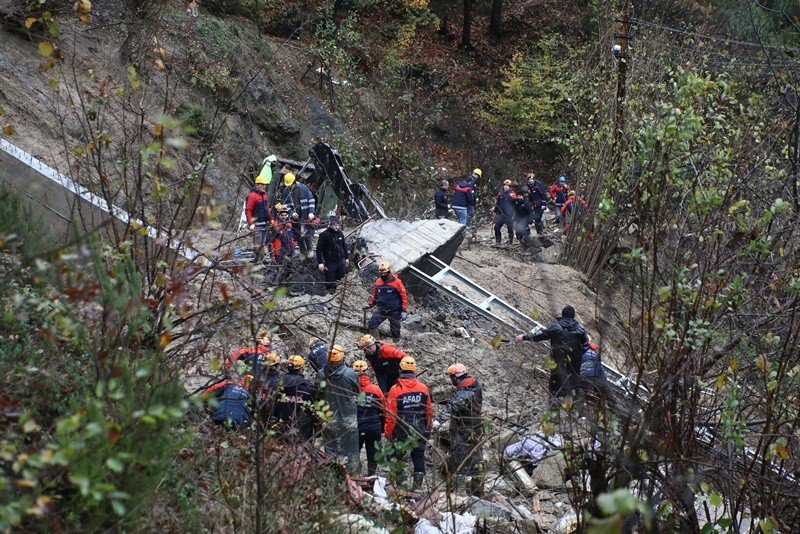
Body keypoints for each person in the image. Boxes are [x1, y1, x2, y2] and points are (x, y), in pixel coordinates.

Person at [515, 305, 589, 399]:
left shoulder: (556, 327)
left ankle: (554, 402)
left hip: (558, 359)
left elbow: (540, 335)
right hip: (574, 362)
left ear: (563, 314)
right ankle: (575, 404)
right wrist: (577, 355)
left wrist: (525, 337)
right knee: (574, 382)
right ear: (573, 316)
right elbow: (586, 345)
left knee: (555, 380)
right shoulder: (581, 329)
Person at [433, 363, 484, 493]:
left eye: (451, 377)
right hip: (476, 427)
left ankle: (455, 493)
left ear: (456, 377)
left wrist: (438, 421)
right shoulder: (475, 387)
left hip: (463, 430)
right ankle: (477, 491)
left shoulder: (464, 393)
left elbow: (452, 407)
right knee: (476, 459)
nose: (451, 381)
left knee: (459, 460)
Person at [384, 356, 432, 490]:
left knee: (394, 456)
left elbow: (391, 415)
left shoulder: (395, 389)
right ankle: (417, 487)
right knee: (418, 456)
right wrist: (428, 428)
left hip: (402, 431)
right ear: (414, 371)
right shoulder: (423, 388)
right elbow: (428, 411)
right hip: (420, 428)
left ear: (400, 370)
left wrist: (388, 433)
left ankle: (402, 484)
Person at [318, 344, 360, 473]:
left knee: (331, 449)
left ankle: (332, 479)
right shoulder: (350, 374)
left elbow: (318, 394)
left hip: (330, 418)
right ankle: (352, 477)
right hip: (349, 418)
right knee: (351, 450)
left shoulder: (321, 374)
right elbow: (358, 393)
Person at [353, 360, 386, 476]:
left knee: (354, 453)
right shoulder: (375, 390)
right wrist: (382, 426)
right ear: (367, 372)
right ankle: (371, 475)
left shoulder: (349, 389)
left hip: (356, 427)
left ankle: (354, 476)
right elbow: (384, 409)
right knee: (372, 454)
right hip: (373, 426)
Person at [274, 355, 317, 442]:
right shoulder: (308, 387)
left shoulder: (277, 383)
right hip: (303, 430)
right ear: (301, 368)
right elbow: (314, 408)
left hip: (282, 427)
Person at [364, 261, 408, 342]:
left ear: (389, 271)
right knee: (372, 324)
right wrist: (370, 304)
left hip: (395, 310)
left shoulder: (397, 282)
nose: (383, 274)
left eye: (384, 272)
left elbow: (403, 295)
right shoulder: (378, 281)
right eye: (381, 272)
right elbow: (375, 294)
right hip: (381, 309)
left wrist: (404, 310)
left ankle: (396, 342)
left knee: (395, 329)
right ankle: (376, 342)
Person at [281, 172, 317, 259]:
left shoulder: (303, 188)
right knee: (298, 235)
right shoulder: (286, 191)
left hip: (305, 215)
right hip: (295, 218)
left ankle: (310, 250)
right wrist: (292, 213)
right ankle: (303, 252)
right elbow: (285, 205)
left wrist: (311, 212)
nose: (290, 186)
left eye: (291, 185)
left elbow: (311, 200)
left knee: (307, 234)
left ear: (294, 181)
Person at [315, 216, 349, 292]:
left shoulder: (340, 233)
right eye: (334, 225)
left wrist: (346, 258)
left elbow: (343, 245)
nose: (336, 227)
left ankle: (339, 292)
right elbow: (319, 250)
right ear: (330, 224)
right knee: (330, 279)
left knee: (341, 277)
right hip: (330, 261)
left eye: (338, 225)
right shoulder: (324, 235)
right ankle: (329, 294)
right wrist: (320, 263)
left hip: (341, 260)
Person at [245, 175, 272, 262]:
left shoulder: (264, 195)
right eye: (262, 184)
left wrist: (271, 218)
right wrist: (251, 223)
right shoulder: (252, 196)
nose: (264, 186)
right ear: (257, 184)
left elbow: (267, 208)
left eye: (265, 184)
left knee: (263, 243)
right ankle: (257, 260)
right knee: (257, 243)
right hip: (257, 224)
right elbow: (248, 210)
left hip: (265, 223)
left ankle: (262, 259)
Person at [256, 352, 283, 427]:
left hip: (258, 409)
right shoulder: (278, 381)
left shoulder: (258, 377)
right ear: (276, 366)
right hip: (272, 411)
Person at [511, 185, 540, 253]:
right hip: (518, 219)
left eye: (522, 196)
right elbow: (514, 210)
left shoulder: (526, 203)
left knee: (526, 233)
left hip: (525, 220)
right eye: (519, 196)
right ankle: (524, 244)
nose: (520, 197)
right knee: (518, 234)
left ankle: (529, 247)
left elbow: (530, 213)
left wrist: (531, 222)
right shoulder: (516, 202)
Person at [493, 179, 515, 246]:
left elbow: (516, 205)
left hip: (509, 215)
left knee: (510, 229)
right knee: (496, 227)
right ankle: (498, 242)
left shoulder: (513, 194)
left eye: (508, 185)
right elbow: (498, 203)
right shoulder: (500, 193)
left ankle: (511, 242)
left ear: (510, 187)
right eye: (505, 185)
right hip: (501, 214)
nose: (506, 186)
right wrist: (495, 211)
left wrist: (515, 214)